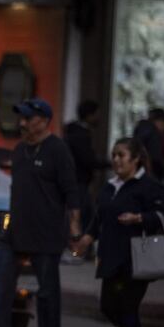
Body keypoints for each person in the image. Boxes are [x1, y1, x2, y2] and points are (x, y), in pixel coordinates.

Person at [0, 98, 80, 327]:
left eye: (28, 118)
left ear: (43, 121)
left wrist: (75, 227)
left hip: (46, 232)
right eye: (21, 117)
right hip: (16, 231)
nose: (22, 123)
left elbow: (71, 191)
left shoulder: (58, 150)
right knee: (1, 286)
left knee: (47, 292)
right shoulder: (20, 150)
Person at [73, 138, 164, 327]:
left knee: (127, 306)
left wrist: (139, 218)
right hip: (110, 256)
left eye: (121, 155)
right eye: (114, 155)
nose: (116, 160)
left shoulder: (149, 186)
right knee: (107, 306)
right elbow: (99, 217)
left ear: (135, 159)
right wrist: (86, 238)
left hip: (137, 257)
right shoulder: (109, 186)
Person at [64, 100, 109, 244]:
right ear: (90, 115)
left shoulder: (76, 132)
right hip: (78, 181)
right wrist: (107, 163)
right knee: (82, 215)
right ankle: (77, 246)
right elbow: (87, 159)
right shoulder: (80, 135)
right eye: (97, 114)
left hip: (79, 181)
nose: (99, 118)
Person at [132, 108, 164, 183]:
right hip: (149, 173)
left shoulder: (141, 128)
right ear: (159, 121)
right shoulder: (153, 133)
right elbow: (155, 157)